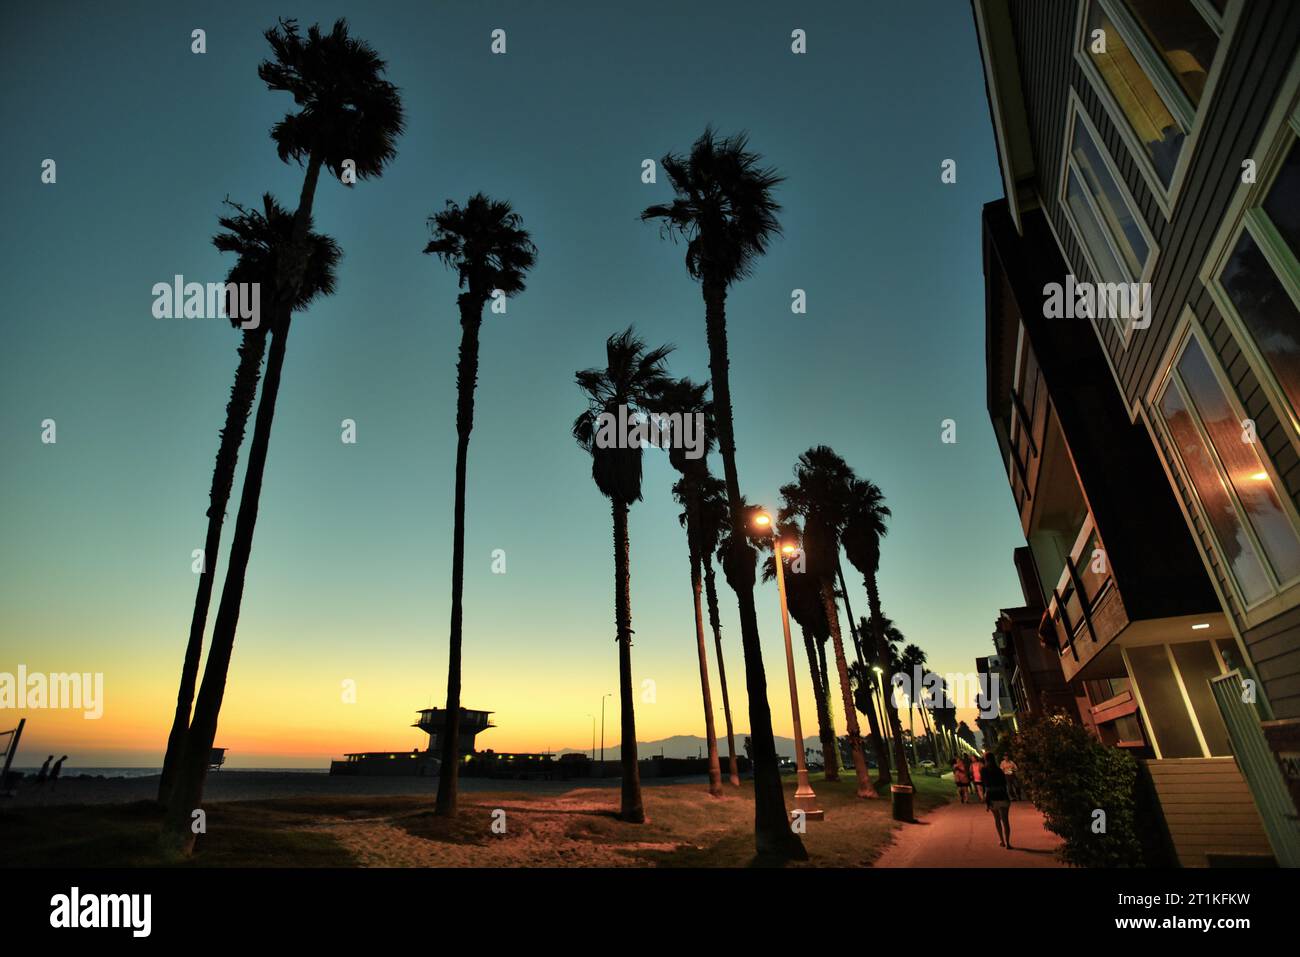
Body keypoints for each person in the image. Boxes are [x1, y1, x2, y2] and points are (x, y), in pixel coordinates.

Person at [982, 752, 1013, 848]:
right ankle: (1008, 843)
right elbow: (1004, 784)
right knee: (1005, 821)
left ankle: (1002, 841)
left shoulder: (984, 770)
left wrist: (986, 799)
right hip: (1002, 796)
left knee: (997, 819)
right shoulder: (999, 770)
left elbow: (985, 785)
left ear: (986, 760)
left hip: (992, 798)